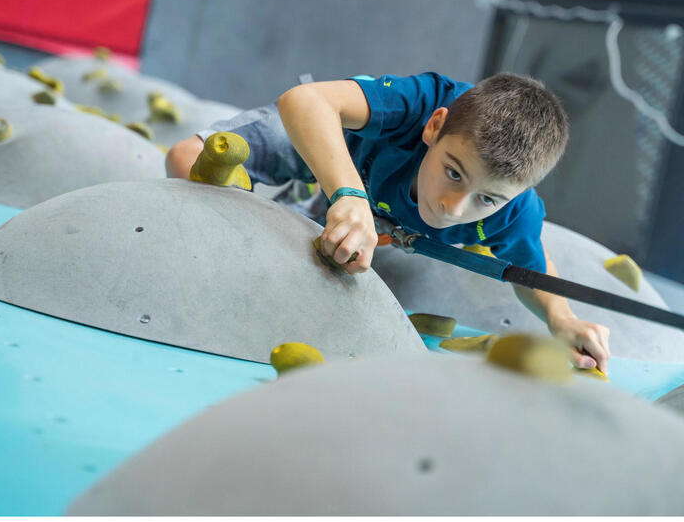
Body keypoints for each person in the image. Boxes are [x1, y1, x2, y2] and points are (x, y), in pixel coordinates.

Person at [166, 71, 611, 374]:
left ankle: (306, 209)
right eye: (453, 172)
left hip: (364, 209)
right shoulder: (418, 104)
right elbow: (304, 100)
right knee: (187, 158)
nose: (455, 207)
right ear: (435, 129)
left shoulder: (513, 213)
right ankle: (311, 193)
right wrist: (348, 194)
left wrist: (560, 317)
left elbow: (529, 267)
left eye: (487, 198)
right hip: (340, 146)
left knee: (317, 256)